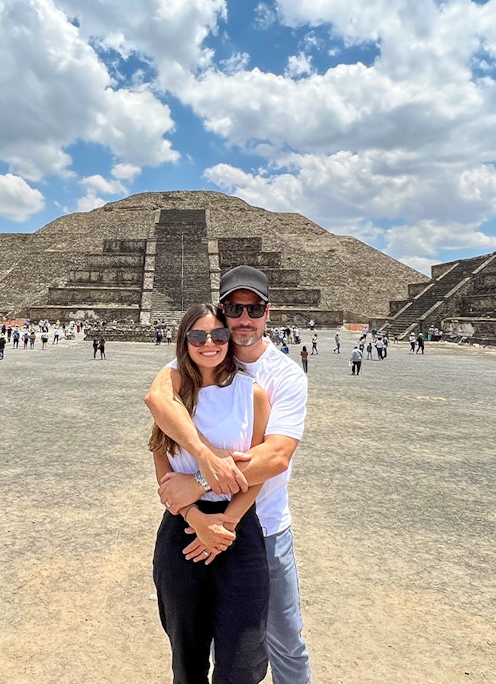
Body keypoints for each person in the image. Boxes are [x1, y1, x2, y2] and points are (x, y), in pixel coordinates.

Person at [146, 265, 314, 684]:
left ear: (267, 313)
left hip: (263, 525)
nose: (243, 319)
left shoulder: (281, 377)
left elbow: (274, 458)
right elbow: (157, 404)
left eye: (253, 308)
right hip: (190, 525)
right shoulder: (193, 362)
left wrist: (201, 487)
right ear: (221, 311)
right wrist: (202, 468)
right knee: (198, 645)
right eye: (235, 309)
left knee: (281, 638)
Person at [149, 304, 272, 684]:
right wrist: (197, 519)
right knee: (186, 657)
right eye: (198, 336)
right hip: (184, 529)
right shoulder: (172, 395)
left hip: (237, 526)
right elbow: (165, 471)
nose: (209, 344)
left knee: (243, 659)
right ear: (184, 341)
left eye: (219, 335)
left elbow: (257, 471)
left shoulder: (251, 394)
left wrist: (226, 524)